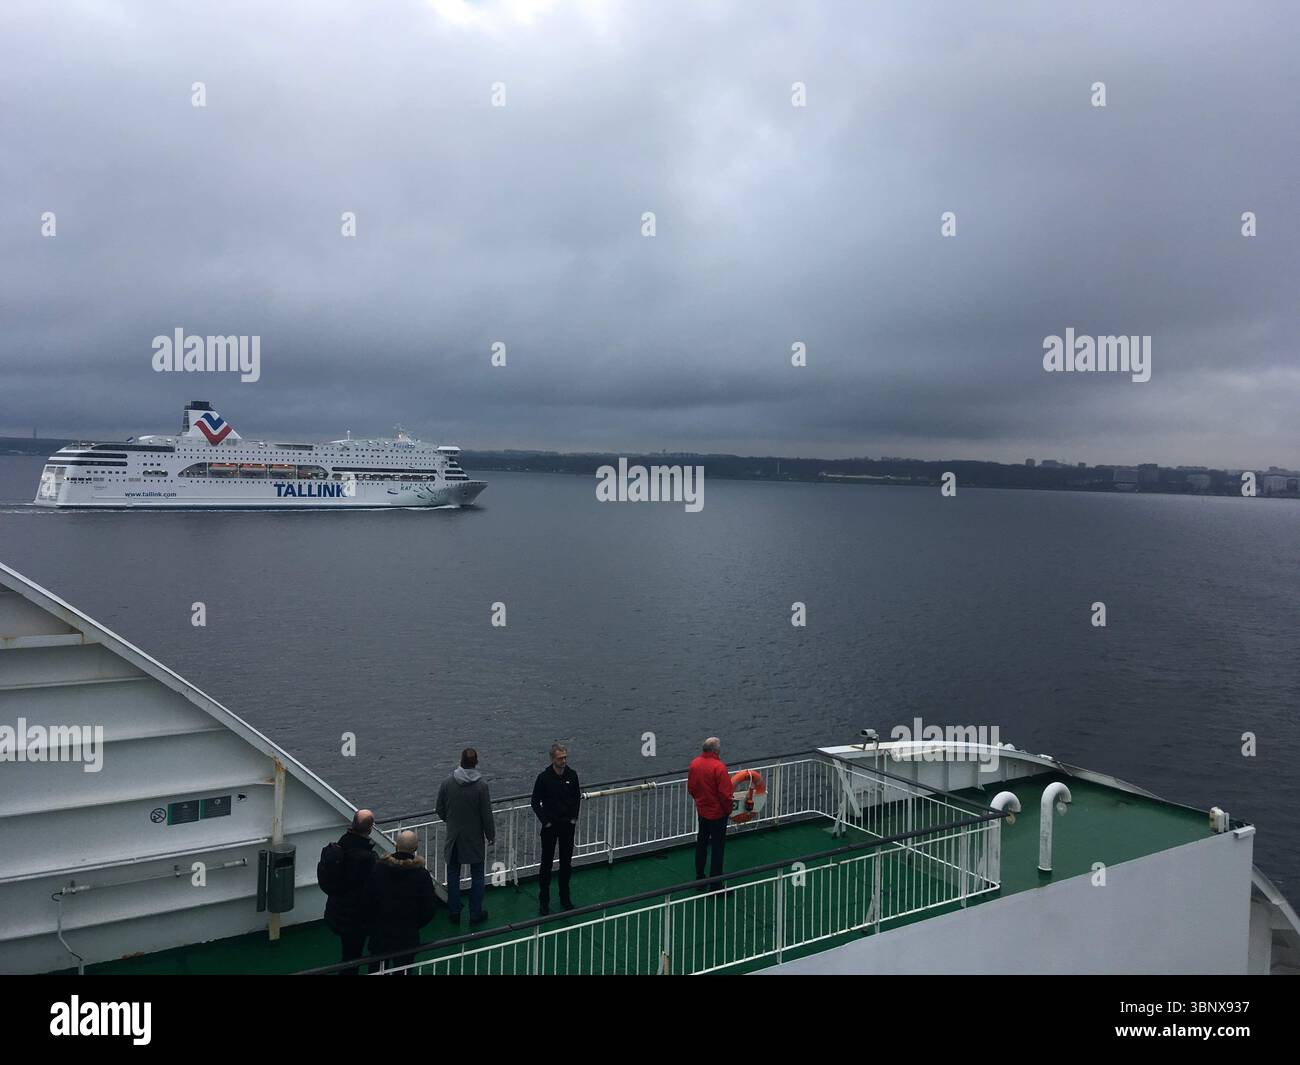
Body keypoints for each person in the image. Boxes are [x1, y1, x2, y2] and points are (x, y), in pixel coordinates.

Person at [362, 829, 438, 972]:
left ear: (396, 846)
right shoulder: (421, 875)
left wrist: (373, 924)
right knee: (403, 969)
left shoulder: (378, 868)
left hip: (380, 934)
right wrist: (414, 925)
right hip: (407, 936)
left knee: (376, 969)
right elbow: (428, 909)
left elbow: (367, 900)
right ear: (415, 849)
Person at [436, 748, 495, 925]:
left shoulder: (447, 783)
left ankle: (454, 911)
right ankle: (475, 914)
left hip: (454, 837)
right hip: (474, 838)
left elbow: (439, 808)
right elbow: (486, 814)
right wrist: (490, 834)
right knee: (477, 875)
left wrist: (451, 821)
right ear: (476, 762)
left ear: (460, 761)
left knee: (453, 874)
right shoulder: (481, 786)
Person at [316, 809, 377, 974]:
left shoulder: (341, 845)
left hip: (338, 911)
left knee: (349, 955)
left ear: (352, 825)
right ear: (370, 829)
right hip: (357, 917)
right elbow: (372, 888)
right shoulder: (367, 858)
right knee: (359, 956)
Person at [530, 743, 581, 916]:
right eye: (560, 758)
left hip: (567, 826)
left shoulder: (572, 775)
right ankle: (544, 901)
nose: (564, 761)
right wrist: (545, 821)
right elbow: (535, 802)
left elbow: (576, 798)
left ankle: (565, 898)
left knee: (566, 864)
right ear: (553, 759)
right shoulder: (543, 778)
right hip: (550, 827)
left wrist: (573, 818)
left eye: (565, 757)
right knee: (546, 864)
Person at [687, 737, 734, 890]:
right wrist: (728, 810)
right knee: (717, 849)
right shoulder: (718, 767)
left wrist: (701, 802)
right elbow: (725, 795)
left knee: (701, 844)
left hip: (702, 812)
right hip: (718, 814)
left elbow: (692, 789)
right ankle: (716, 885)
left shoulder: (694, 764)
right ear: (715, 750)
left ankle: (699, 879)